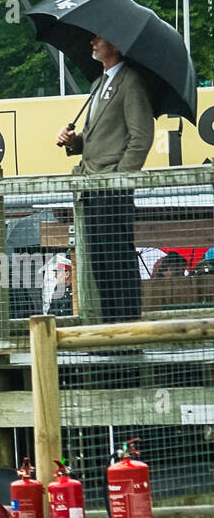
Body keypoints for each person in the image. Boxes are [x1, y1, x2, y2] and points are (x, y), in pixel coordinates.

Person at [56, 36, 154, 323]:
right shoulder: (98, 84)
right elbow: (95, 137)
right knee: (100, 263)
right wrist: (73, 141)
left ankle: (127, 333)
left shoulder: (131, 82)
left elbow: (141, 137)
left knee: (118, 261)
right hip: (91, 188)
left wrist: (119, 179)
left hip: (111, 187)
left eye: (100, 38)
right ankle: (111, 331)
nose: (93, 42)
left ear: (118, 44)